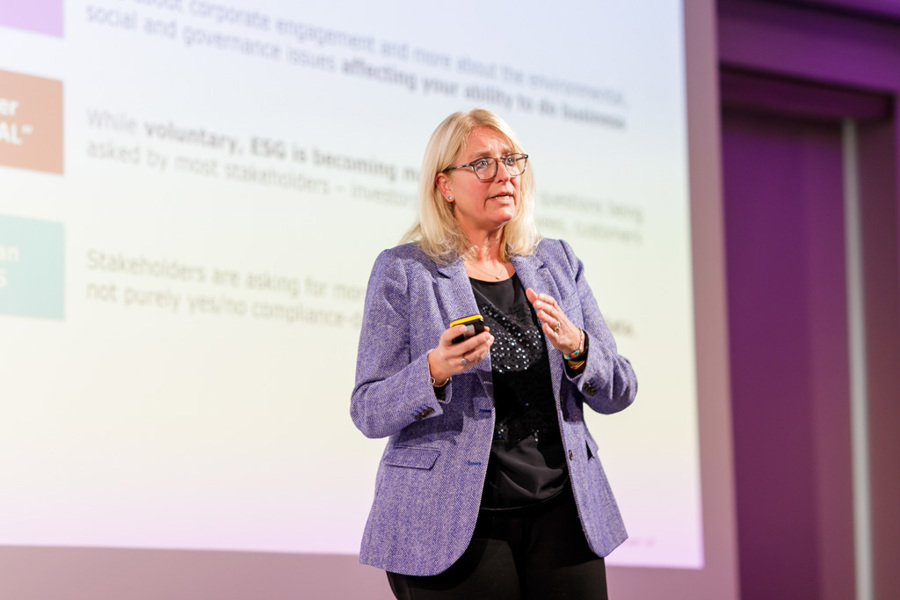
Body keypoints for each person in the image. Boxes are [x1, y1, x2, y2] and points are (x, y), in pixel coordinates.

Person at [351, 108, 637, 600]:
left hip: (563, 517)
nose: (504, 174)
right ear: (445, 185)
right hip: (451, 523)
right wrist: (434, 370)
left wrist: (578, 349)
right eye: (483, 163)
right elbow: (368, 409)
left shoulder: (557, 263)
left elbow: (620, 389)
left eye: (512, 160)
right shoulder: (405, 271)